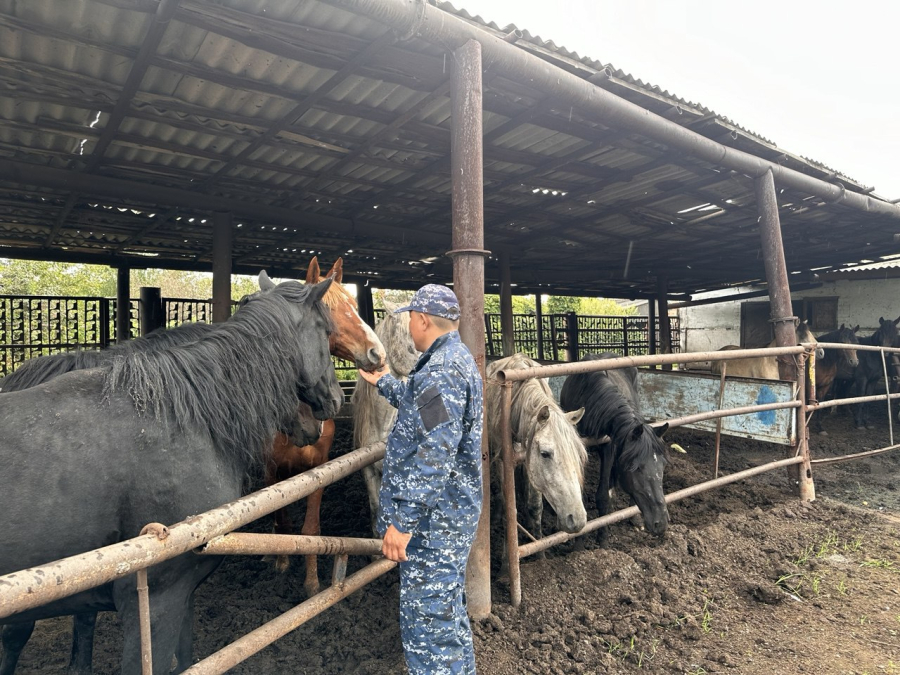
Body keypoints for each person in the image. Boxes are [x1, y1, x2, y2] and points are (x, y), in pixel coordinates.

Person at [358, 284, 483, 675]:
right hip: (449, 518)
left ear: (422, 319)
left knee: (428, 629)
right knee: (447, 617)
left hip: (433, 525)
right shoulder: (450, 361)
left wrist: (403, 523)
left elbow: (435, 455)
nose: (408, 324)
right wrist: (382, 383)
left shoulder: (442, 371)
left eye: (410, 316)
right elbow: (421, 402)